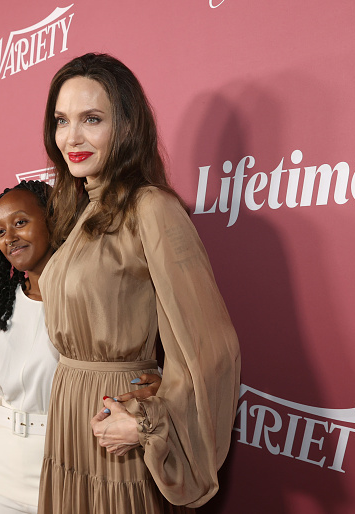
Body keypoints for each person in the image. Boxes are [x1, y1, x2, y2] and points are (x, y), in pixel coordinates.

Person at [37, 53, 241, 513]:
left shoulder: (151, 207)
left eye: (92, 119)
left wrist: (151, 422)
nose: (72, 137)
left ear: (126, 125)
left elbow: (210, 348)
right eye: (61, 120)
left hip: (116, 427)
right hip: (71, 416)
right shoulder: (78, 209)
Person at [0, 180, 161, 514]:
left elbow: (121, 369)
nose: (9, 238)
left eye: (20, 222)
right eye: (0, 231)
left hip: (71, 462)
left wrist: (160, 385)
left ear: (53, 220)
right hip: (3, 469)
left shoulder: (89, 300)